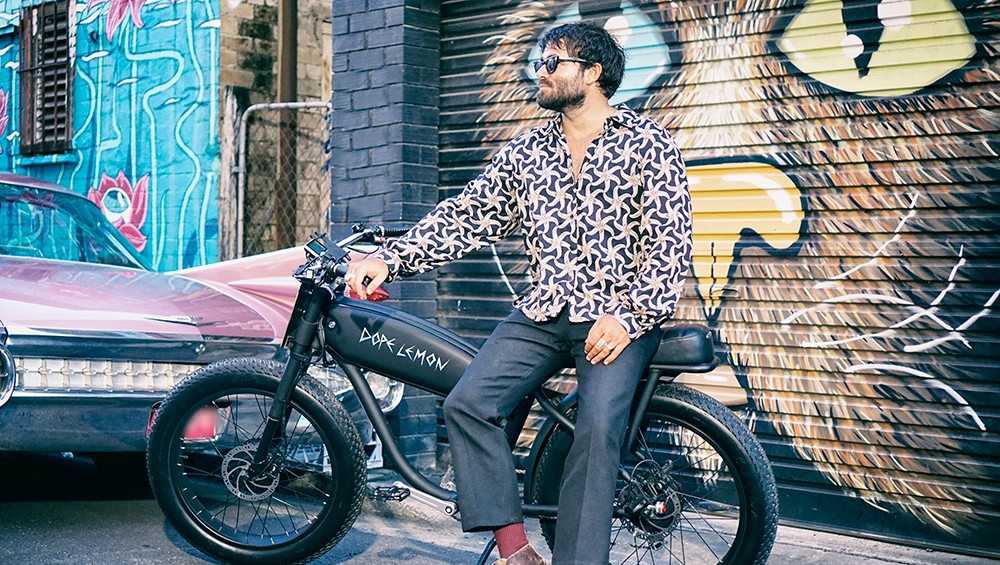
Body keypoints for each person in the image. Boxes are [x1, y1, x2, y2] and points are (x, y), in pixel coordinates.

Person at [345, 22, 693, 565]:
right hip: (544, 309)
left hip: (617, 318)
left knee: (598, 431)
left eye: (553, 62)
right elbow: (466, 216)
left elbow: (670, 244)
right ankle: (515, 551)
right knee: (469, 405)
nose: (541, 72)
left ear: (593, 73)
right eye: (539, 62)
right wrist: (391, 258)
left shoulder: (648, 144)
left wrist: (630, 317)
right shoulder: (529, 151)